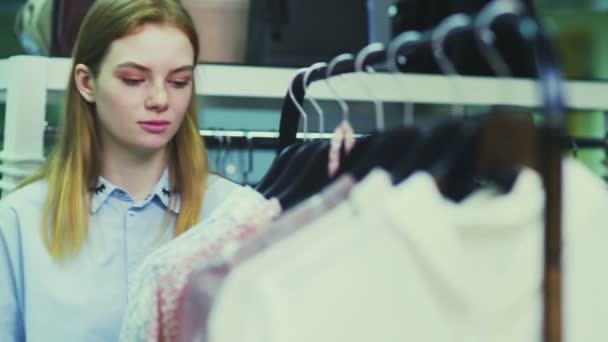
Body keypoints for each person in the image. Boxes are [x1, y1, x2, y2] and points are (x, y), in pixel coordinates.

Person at [0, 0, 265, 341]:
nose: (159, 99)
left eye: (179, 81)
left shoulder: (238, 217)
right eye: (134, 79)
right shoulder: (20, 222)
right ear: (86, 83)